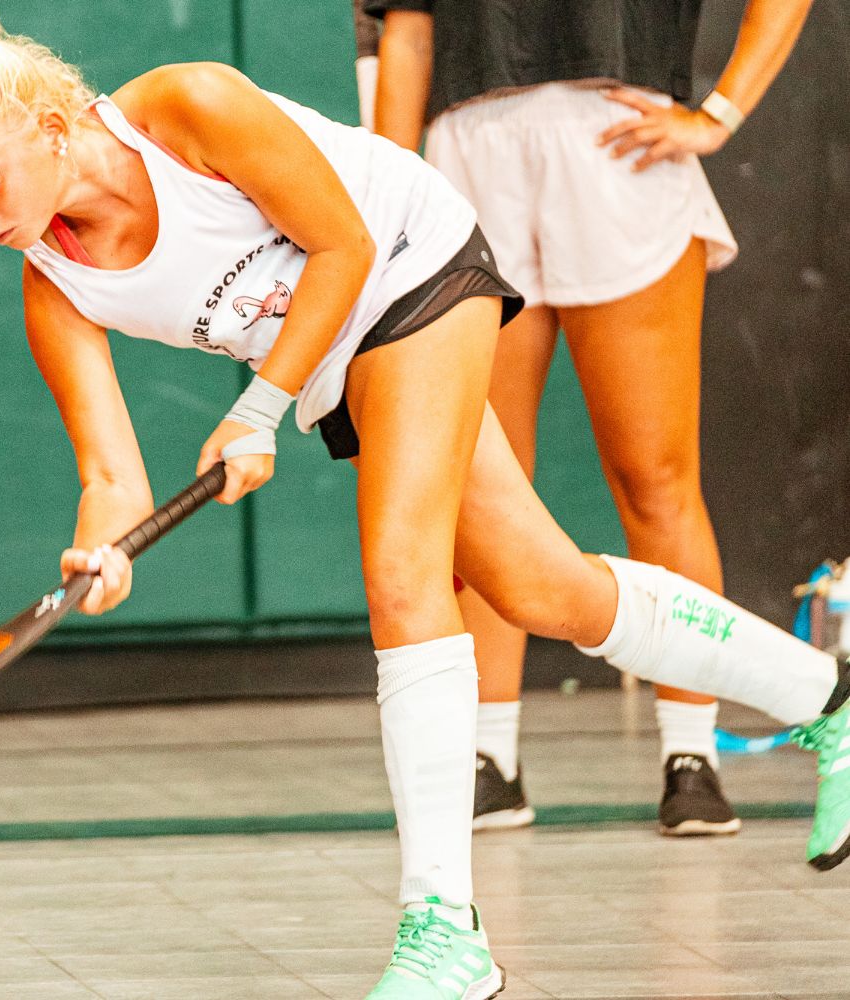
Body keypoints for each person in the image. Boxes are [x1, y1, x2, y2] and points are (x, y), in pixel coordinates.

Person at [0, 5, 849, 996]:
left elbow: (343, 246)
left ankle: (445, 931)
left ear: (50, 131)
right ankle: (828, 698)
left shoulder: (187, 106)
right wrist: (103, 548)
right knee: (544, 586)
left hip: (408, 260)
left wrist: (258, 412)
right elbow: (110, 477)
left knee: (404, 575)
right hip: (337, 359)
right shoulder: (53, 288)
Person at [369, 0, 816, 838]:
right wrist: (388, 202)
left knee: (655, 478)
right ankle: (488, 759)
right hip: (466, 152)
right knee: (478, 488)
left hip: (618, 139)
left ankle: (692, 755)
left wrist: (718, 113)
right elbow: (409, 28)